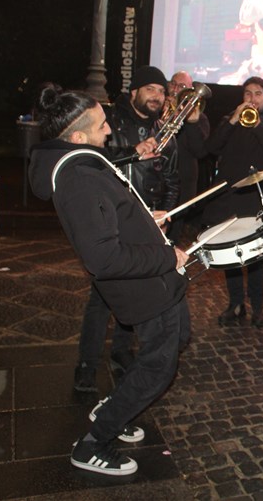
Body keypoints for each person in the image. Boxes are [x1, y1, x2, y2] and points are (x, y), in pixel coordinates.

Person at [28, 86, 190, 475]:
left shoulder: (82, 163)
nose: (109, 132)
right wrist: (168, 255)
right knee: (158, 367)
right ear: (79, 136)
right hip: (145, 286)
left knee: (177, 339)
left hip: (157, 281)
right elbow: (103, 258)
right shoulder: (79, 179)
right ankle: (93, 443)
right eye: (102, 126)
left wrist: (143, 220)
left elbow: (110, 214)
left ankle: (116, 407)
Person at [74, 65, 179, 392]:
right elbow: (92, 162)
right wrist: (132, 152)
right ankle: (86, 365)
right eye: (150, 89)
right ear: (133, 92)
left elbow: (172, 178)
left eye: (161, 91)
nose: (157, 96)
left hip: (149, 224)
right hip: (113, 222)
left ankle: (121, 352)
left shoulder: (165, 131)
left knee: (137, 293)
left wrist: (169, 210)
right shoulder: (108, 124)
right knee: (101, 298)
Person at [201, 76, 263, 329]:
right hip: (229, 199)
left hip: (255, 199)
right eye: (248, 94)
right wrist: (230, 121)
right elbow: (211, 147)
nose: (252, 99)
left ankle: (258, 308)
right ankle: (235, 303)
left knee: (256, 258)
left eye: (258, 94)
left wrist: (259, 126)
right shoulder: (231, 121)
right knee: (232, 256)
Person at [166, 70, 211, 245]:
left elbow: (200, 151)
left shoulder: (200, 118)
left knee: (171, 237)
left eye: (182, 86)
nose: (176, 89)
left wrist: (191, 123)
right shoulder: (158, 109)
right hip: (157, 182)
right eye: (173, 84)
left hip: (181, 185)